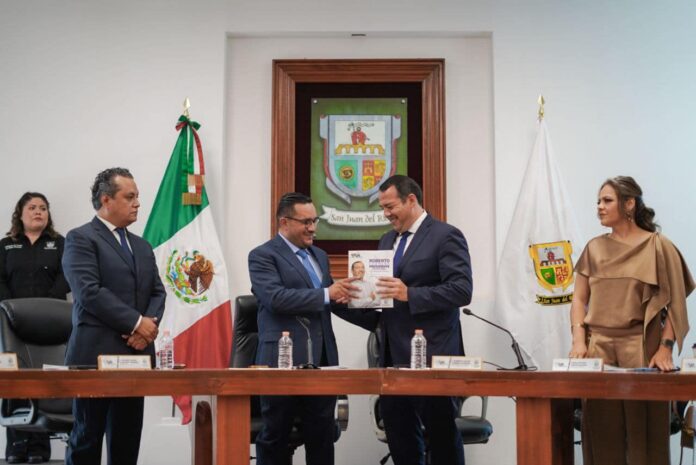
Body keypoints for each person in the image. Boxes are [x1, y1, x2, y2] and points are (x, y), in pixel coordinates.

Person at [569, 176, 694, 465]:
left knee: (645, 437)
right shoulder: (593, 248)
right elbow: (578, 299)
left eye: (607, 200)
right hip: (598, 348)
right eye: (598, 201)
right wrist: (578, 340)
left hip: (642, 347)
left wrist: (665, 347)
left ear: (629, 204)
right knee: (600, 435)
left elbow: (675, 302)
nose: (599, 207)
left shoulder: (657, 246)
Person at [248, 192, 378, 465]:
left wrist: (381, 322)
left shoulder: (319, 255)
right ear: (284, 222)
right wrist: (328, 293)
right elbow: (276, 299)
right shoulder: (262, 256)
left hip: (322, 361)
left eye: (315, 220)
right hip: (280, 362)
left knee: (321, 437)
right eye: (305, 222)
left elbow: (331, 301)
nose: (312, 228)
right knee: (275, 438)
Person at [61, 168, 166, 465]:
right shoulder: (80, 238)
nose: (137, 204)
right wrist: (137, 323)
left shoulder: (142, 246)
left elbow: (158, 292)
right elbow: (89, 292)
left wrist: (147, 328)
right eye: (129, 197)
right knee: (86, 440)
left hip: (136, 357)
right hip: (94, 356)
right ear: (106, 200)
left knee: (127, 440)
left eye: (137, 197)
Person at [374, 175, 473, 465]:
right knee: (399, 434)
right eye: (382, 207)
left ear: (411, 200)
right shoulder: (386, 240)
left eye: (390, 206)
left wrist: (410, 294)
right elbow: (384, 295)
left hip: (435, 354)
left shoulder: (445, 235)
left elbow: (461, 290)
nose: (386, 214)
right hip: (393, 356)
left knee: (441, 435)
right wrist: (351, 296)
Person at [0, 192, 70, 464]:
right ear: (20, 213)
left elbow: (67, 276)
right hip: (11, 323)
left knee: (44, 380)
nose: (38, 212)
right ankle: (16, 446)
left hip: (51, 322)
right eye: (32, 208)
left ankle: (40, 447)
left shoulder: (59, 243)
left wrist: (49, 303)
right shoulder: (6, 245)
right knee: (14, 381)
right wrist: (9, 305)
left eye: (43, 208)